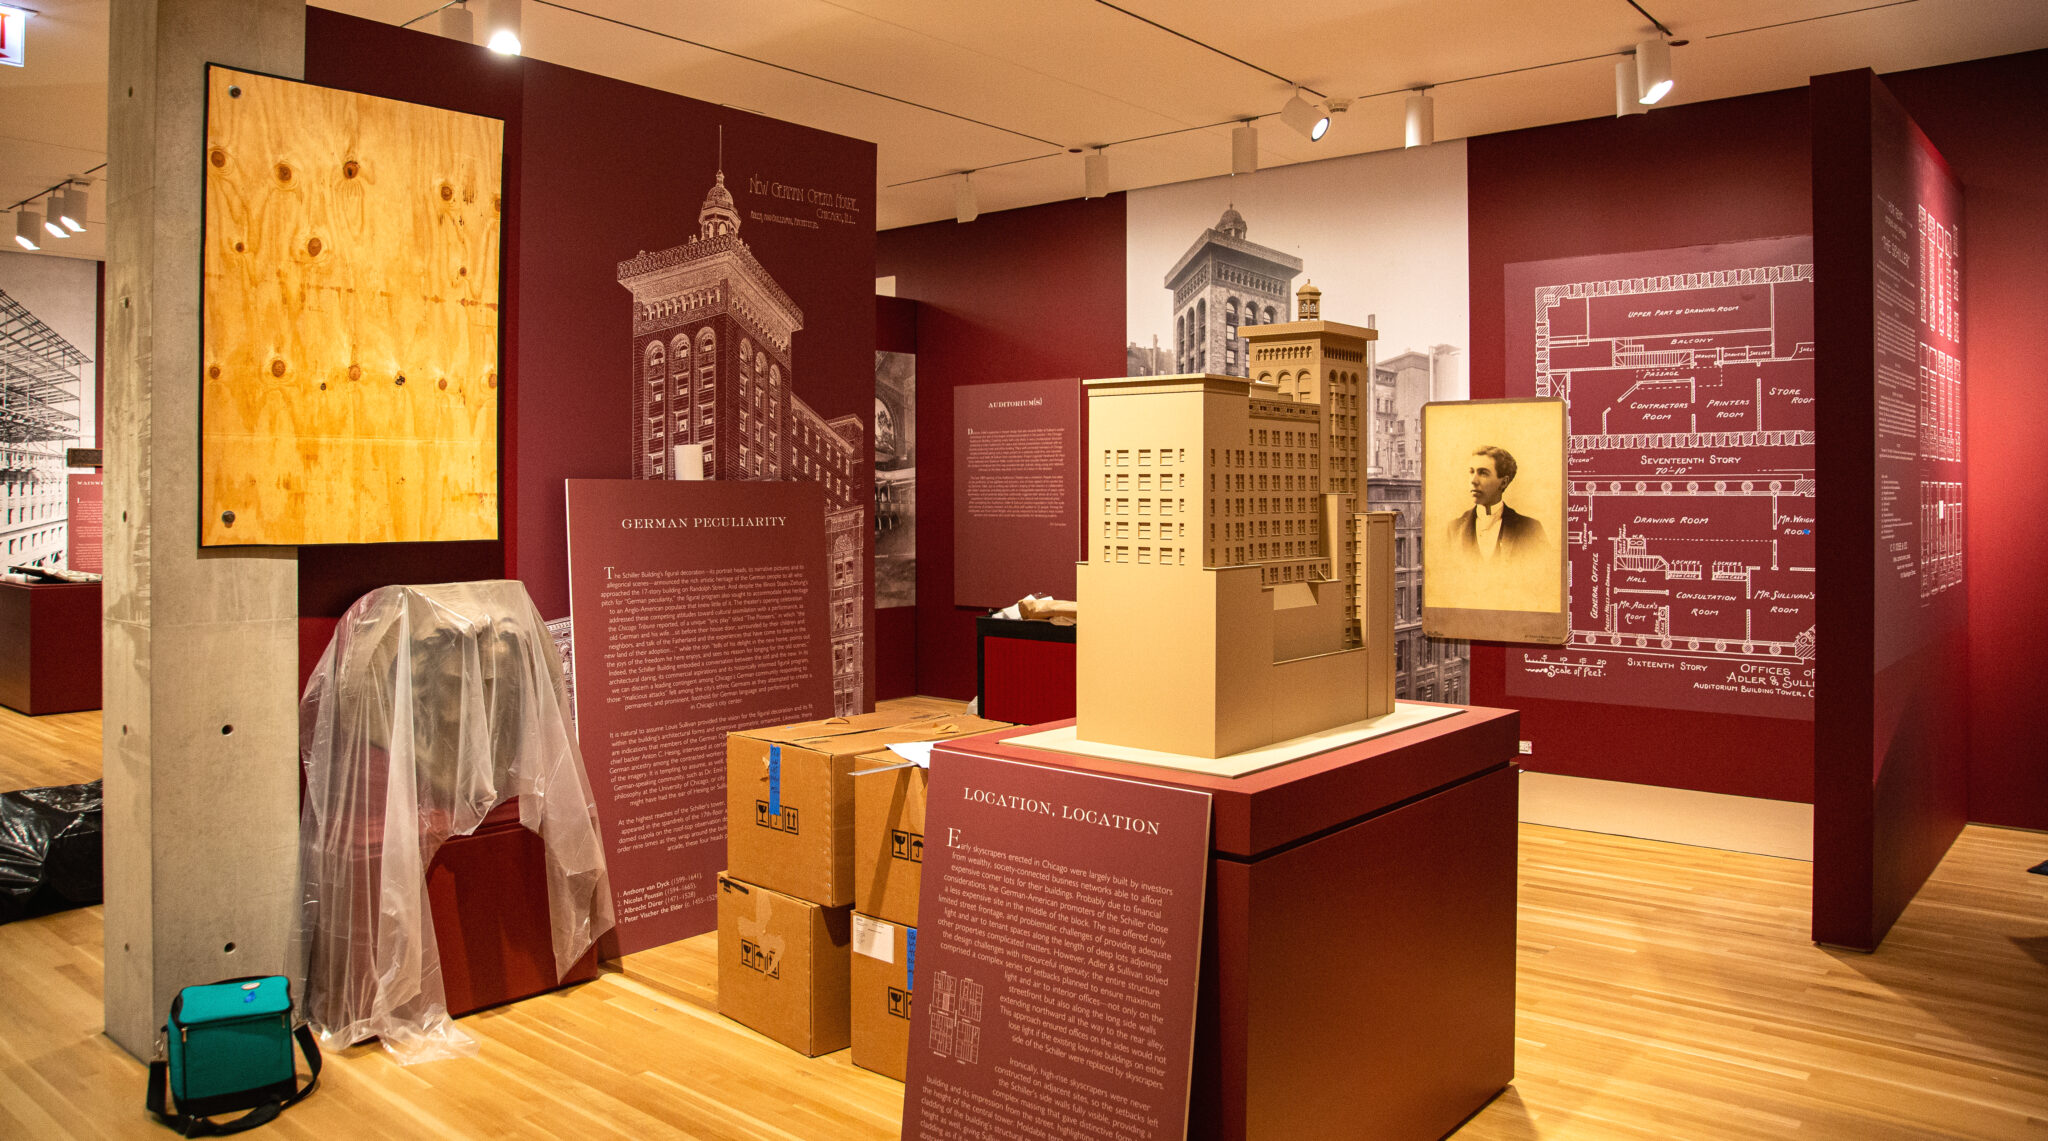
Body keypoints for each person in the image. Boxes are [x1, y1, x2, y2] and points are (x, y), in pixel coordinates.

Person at [1445, 445, 1547, 563]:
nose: (1473, 480)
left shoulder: (1531, 529)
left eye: (1483, 473)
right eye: (1471, 472)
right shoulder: (1453, 530)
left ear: (1504, 482)